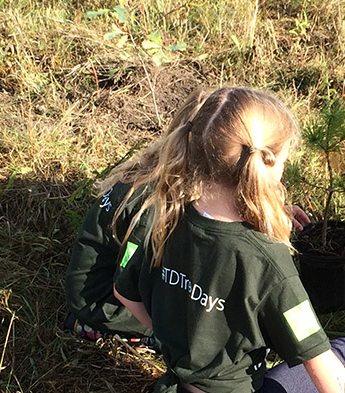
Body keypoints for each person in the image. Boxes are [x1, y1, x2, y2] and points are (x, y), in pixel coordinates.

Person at [112, 86, 345, 393]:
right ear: (268, 162)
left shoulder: (170, 215)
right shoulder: (266, 259)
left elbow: (125, 294)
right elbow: (317, 356)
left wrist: (184, 335)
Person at [64, 87, 312, 350]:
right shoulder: (152, 205)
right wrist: (175, 336)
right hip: (103, 305)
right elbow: (126, 281)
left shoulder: (166, 176)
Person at [63, 88, 207, 350]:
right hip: (101, 303)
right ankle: (116, 332)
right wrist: (170, 334)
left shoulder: (161, 172)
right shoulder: (151, 207)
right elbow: (124, 288)